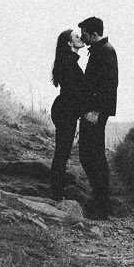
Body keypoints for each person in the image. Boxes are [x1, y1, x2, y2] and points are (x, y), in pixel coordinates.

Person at [76, 16, 118, 217]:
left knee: (93, 155)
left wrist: (98, 112)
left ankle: (101, 204)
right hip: (91, 112)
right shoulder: (100, 50)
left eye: (84, 33)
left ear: (94, 34)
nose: (82, 37)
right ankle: (100, 200)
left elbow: (109, 86)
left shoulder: (105, 51)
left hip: (95, 113)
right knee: (90, 155)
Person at [47, 25, 87, 200]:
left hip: (65, 109)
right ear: (70, 42)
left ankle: (57, 190)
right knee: (62, 151)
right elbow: (73, 92)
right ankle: (56, 193)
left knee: (62, 151)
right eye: (76, 36)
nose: (80, 37)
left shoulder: (69, 60)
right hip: (65, 110)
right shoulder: (68, 62)